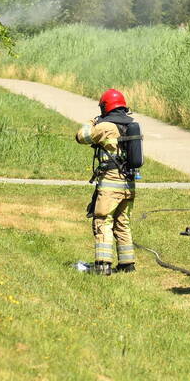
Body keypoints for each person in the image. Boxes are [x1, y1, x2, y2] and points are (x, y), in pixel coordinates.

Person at [75, 88, 138, 276]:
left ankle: (103, 265)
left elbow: (81, 137)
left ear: (105, 107)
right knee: (122, 222)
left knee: (102, 220)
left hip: (111, 183)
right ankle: (127, 264)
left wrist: (91, 122)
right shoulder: (131, 125)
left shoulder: (106, 127)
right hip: (129, 183)